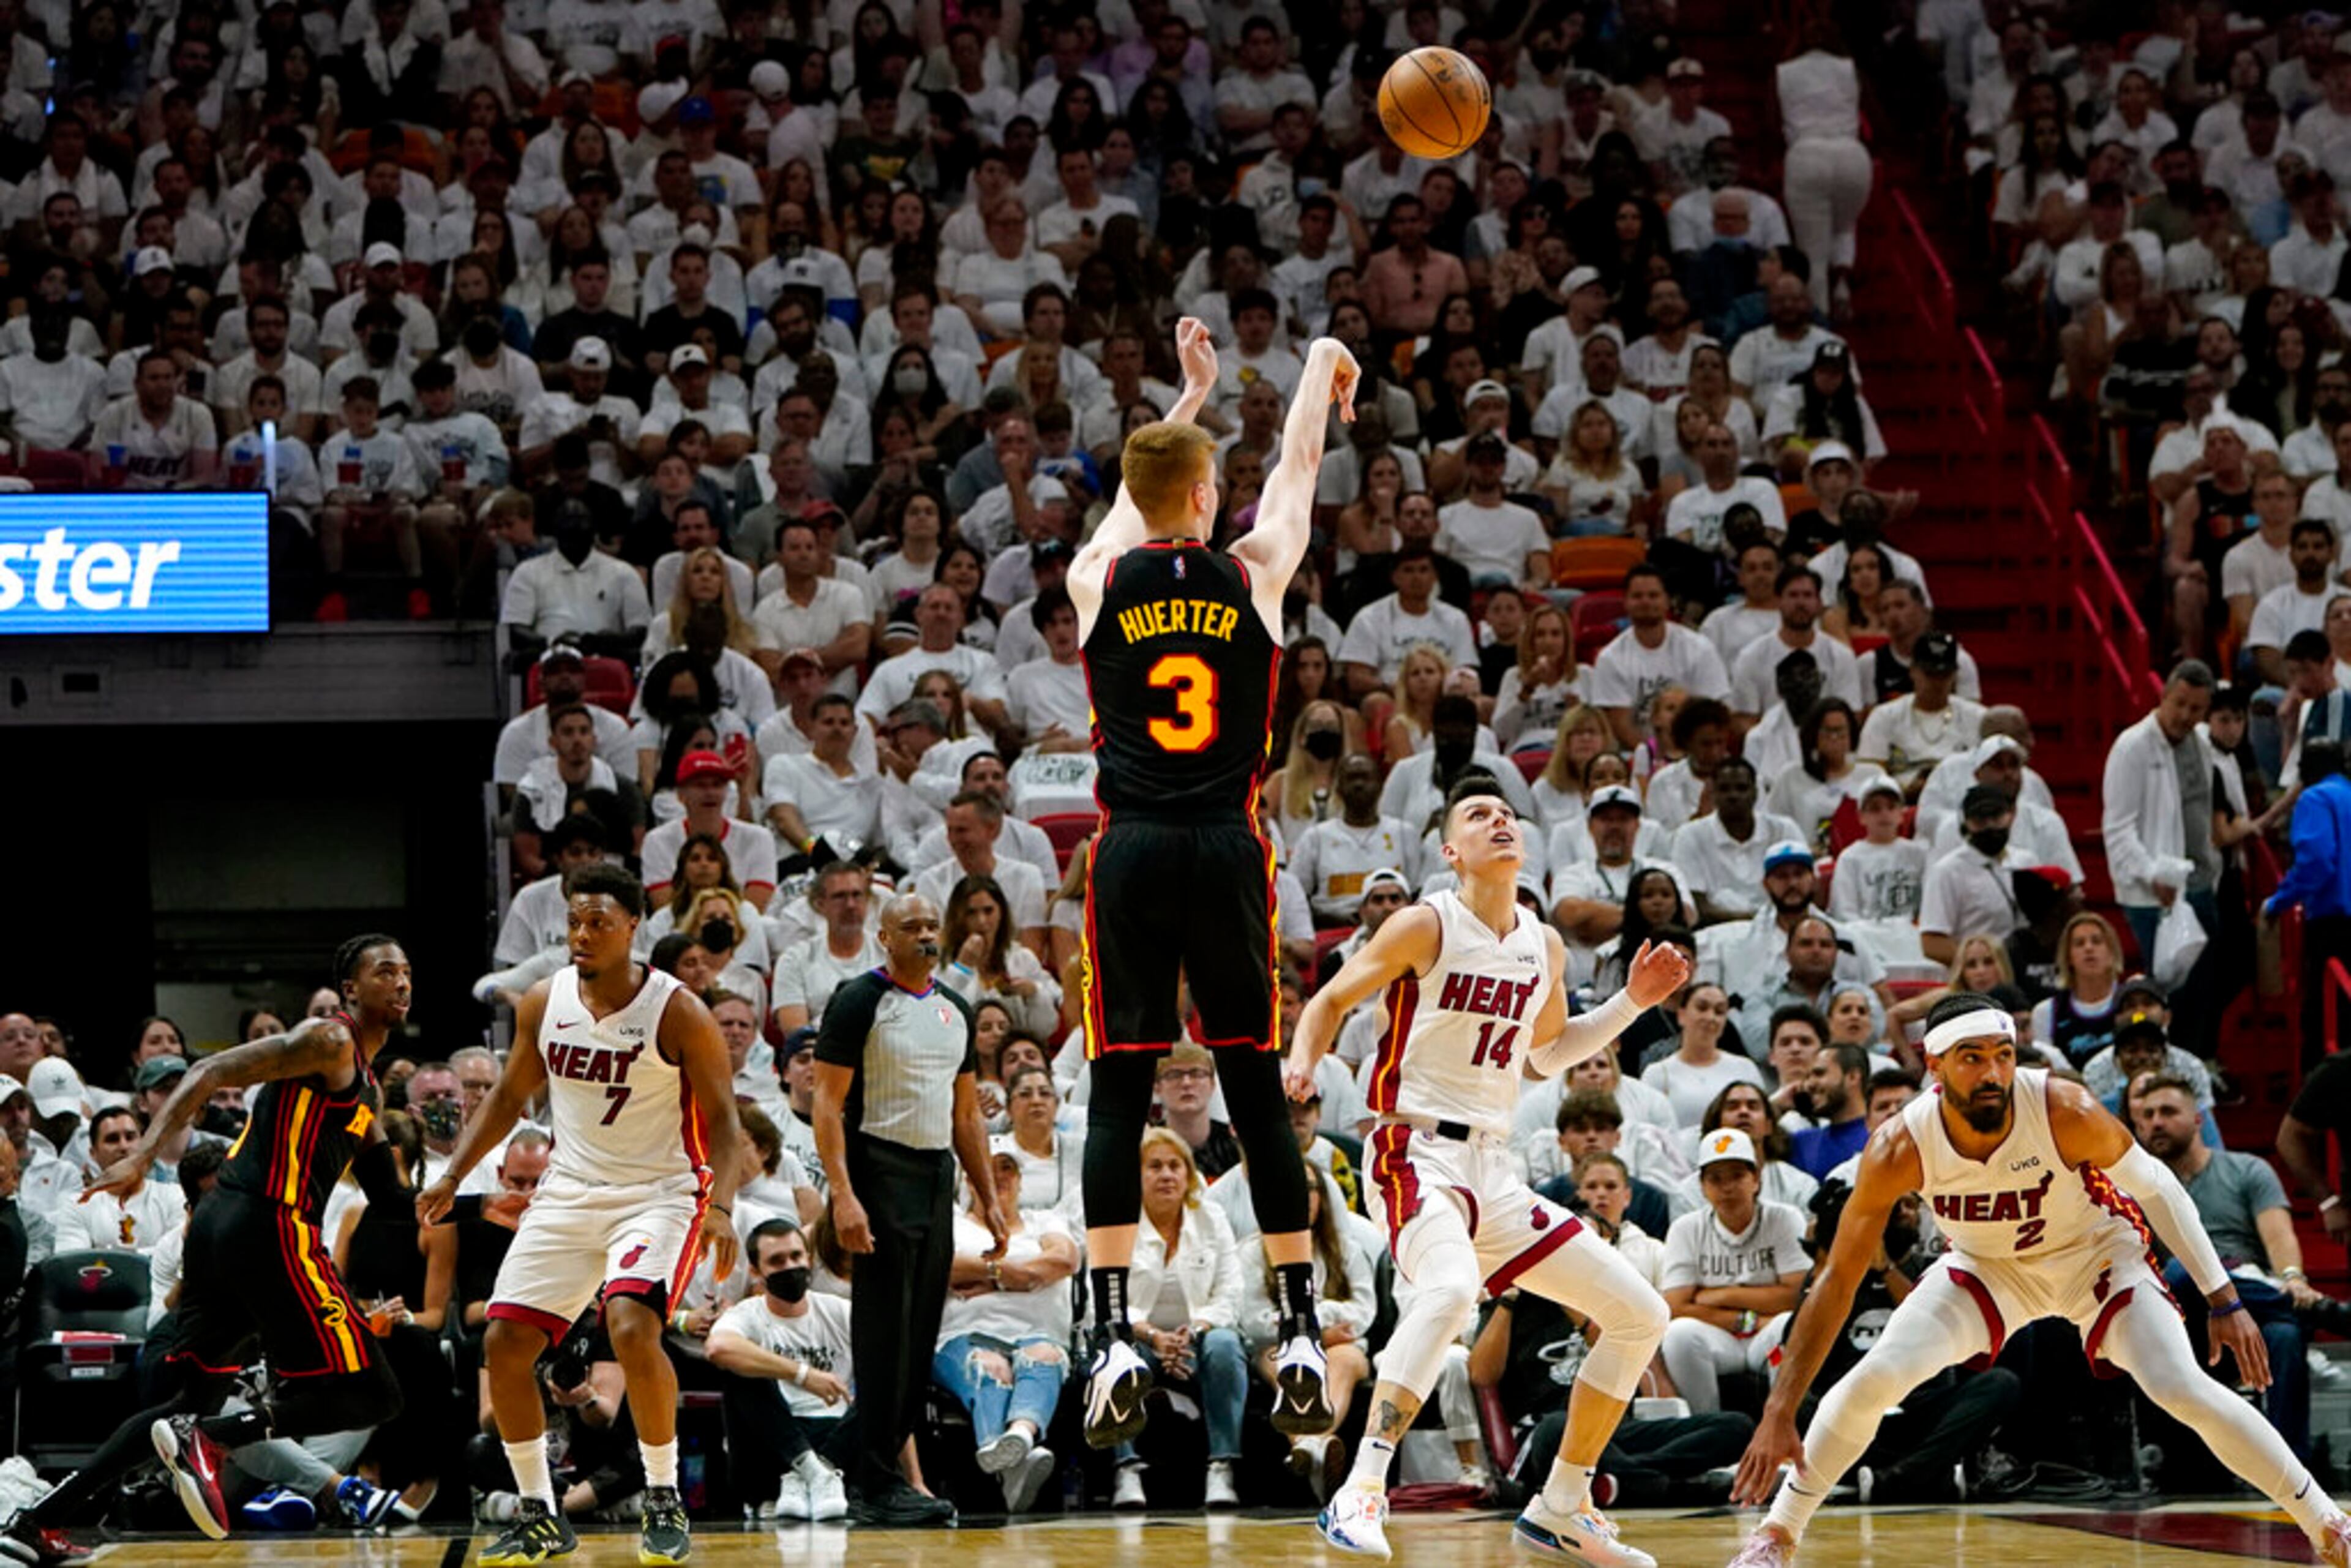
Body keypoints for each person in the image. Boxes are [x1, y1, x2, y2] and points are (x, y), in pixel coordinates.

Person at [1725, 995, 2351, 1568]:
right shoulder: (1898, 1146)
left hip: (2097, 1258)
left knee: (2180, 1386)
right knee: (1878, 1375)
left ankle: (2326, 1521)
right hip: (1988, 1267)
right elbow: (1837, 1276)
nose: (1993, 1072)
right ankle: (1777, 1534)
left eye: (2002, 1054)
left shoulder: (2063, 1107)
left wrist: (2225, 1297)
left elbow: (2158, 1187)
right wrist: (1779, 1407)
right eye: (1972, 1058)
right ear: (1935, 1065)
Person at [1069, 315, 1359, 1449]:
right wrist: (1319, 358)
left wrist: (1183, 403)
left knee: (1115, 1080)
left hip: (1131, 845)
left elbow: (1130, 510)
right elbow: (1294, 467)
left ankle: (1105, 1336)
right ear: (1208, 499)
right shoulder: (1253, 569)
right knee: (1250, 1080)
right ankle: (1295, 1324)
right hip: (1229, 846)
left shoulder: (1099, 575)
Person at [1288, 771, 1690, 1563]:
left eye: (1508, 812)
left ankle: (1563, 1504)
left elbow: (1545, 1056)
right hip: (1413, 1148)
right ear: (1450, 848)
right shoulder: (1424, 923)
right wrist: (1303, 1062)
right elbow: (1329, 1000)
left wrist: (1633, 1003)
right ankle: (1359, 1489)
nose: (1500, 821)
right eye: (1480, 814)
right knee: (1446, 1293)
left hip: (1494, 1168)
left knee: (1642, 1313)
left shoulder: (1540, 942)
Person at [7, 937, 421, 1564]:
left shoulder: (366, 1092)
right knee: (374, 1394)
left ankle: (35, 1521)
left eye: (408, 970)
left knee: (181, 1402)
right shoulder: (329, 1039)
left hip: (226, 1229)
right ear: (351, 988)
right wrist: (144, 1154)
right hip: (268, 1222)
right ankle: (212, 1437)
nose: (402, 980)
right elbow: (209, 1070)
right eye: (384, 970)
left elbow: (392, 1197)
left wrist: (477, 1199)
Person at [416, 864, 743, 1568]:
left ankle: (662, 1495)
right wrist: (451, 1173)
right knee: (503, 1342)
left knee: (630, 1324)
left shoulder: (678, 1009)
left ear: (633, 927)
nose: (583, 935)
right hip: (569, 1189)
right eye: (574, 923)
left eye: (599, 922)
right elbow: (507, 1097)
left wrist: (719, 1206)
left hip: (660, 1192)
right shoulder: (544, 998)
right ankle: (539, 1511)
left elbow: (723, 1117)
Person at [810, 892, 1007, 1526]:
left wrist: (991, 1199)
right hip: (879, 1165)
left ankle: (831, 1458)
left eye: (930, 926)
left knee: (919, 1336)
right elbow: (827, 1105)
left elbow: (968, 1113)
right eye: (911, 927)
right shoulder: (858, 1000)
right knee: (884, 1336)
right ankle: (873, 1483)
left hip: (935, 1175)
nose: (924, 935)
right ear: (885, 938)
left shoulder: (955, 1008)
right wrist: (843, 1194)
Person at [2265, 738, 2351, 1070]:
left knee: (2327, 1017)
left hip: (2334, 927)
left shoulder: (2315, 798)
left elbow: (2317, 861)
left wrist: (2278, 902)